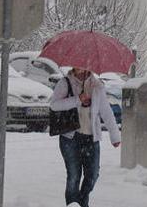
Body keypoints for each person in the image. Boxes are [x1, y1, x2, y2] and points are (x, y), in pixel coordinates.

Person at [50, 67, 121, 207]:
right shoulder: (65, 83)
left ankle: (81, 202)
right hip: (70, 137)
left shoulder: (97, 86)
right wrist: (77, 99)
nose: (82, 69)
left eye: (85, 67)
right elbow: (54, 105)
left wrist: (115, 135)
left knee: (93, 175)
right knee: (74, 176)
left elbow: (106, 111)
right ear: (74, 67)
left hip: (91, 138)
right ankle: (73, 204)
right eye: (79, 66)